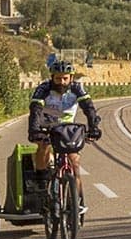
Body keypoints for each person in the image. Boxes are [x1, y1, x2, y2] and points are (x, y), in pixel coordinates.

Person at [27, 56, 100, 191]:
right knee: (43, 147)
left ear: (71, 78)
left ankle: (77, 202)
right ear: (52, 77)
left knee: (75, 162)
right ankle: (41, 179)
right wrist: (34, 130)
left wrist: (93, 127)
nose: (62, 82)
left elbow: (89, 108)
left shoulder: (77, 88)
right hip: (46, 126)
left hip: (66, 129)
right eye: (58, 78)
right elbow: (35, 109)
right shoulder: (44, 88)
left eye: (65, 78)